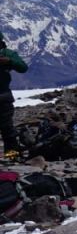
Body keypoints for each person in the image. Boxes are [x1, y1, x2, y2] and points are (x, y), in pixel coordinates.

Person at [0, 30, 29, 159]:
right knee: (7, 128)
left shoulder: (7, 54)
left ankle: (12, 154)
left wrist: (9, 61)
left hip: (3, 96)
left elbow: (23, 67)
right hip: (4, 96)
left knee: (7, 128)